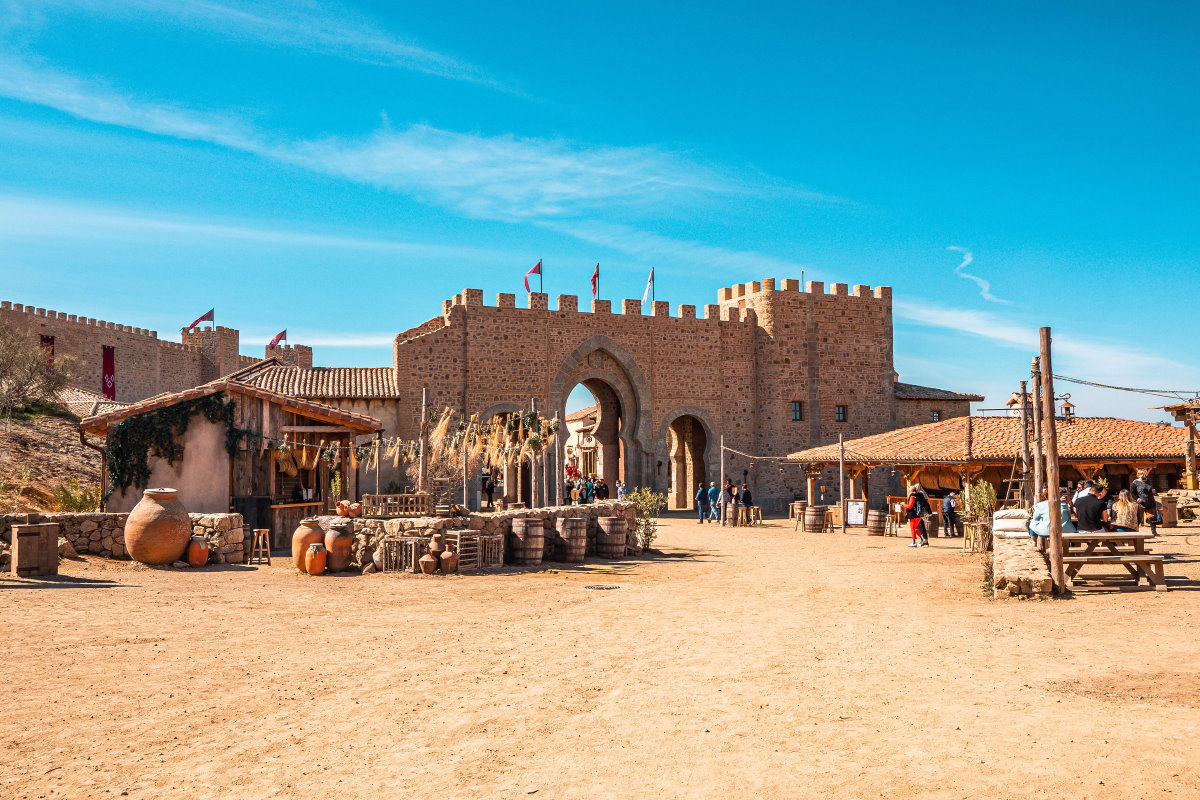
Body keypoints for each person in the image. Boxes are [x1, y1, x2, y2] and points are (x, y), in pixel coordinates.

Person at [1028, 487, 1078, 552]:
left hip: (1046, 531)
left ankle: (1033, 540)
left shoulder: (1041, 505)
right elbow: (1069, 516)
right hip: (1066, 530)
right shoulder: (1064, 505)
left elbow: (1035, 517)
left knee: (1033, 522)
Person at [1131, 469, 1158, 536]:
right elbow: (1132, 493)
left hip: (1150, 501)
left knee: (1152, 517)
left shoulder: (1148, 481)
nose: (1144, 475)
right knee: (1138, 518)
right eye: (1143, 474)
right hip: (1141, 503)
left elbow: (1150, 491)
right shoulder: (1134, 483)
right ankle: (1135, 531)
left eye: (1145, 474)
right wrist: (1137, 498)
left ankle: (1154, 532)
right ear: (1139, 475)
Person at [904, 482, 930, 547]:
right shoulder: (921, 494)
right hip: (920, 513)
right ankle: (923, 539)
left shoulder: (913, 496)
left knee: (914, 528)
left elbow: (910, 506)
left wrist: (903, 504)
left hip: (913, 514)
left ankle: (914, 542)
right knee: (916, 528)